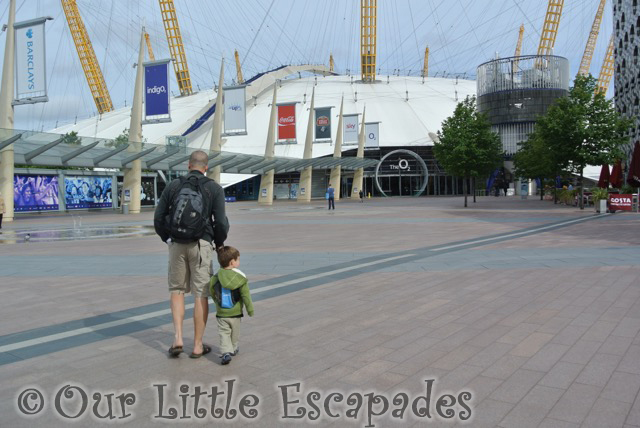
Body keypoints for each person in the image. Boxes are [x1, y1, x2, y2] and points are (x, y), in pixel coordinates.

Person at [154, 150, 229, 358]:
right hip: (201, 244)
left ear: (188, 166)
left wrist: (167, 238)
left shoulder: (174, 186)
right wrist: (219, 242)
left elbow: (158, 217)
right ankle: (197, 345)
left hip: (177, 244)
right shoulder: (214, 188)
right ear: (206, 168)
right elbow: (221, 222)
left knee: (177, 290)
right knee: (200, 294)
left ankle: (177, 338)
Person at [209, 246, 253, 365]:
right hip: (236, 312)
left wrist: (217, 302)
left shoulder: (216, 277)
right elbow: (246, 295)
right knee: (235, 332)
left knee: (224, 333)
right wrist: (250, 309)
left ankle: (226, 352)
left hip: (221, 313)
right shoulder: (240, 278)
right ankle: (233, 348)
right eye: (238, 259)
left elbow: (212, 291)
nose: (239, 261)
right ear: (232, 262)